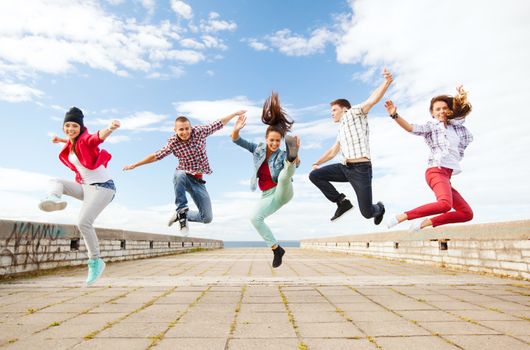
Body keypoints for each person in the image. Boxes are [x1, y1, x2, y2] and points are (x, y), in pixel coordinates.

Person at [123, 110, 246, 234]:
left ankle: (182, 215)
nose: (185, 132)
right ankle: (181, 209)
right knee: (179, 173)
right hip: (184, 177)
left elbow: (219, 123)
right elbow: (156, 156)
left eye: (187, 128)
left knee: (207, 218)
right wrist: (135, 165)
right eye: (181, 130)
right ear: (175, 130)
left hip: (198, 181)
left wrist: (234, 114)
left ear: (191, 127)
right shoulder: (173, 142)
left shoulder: (200, 132)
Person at [38, 107, 120, 286]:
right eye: (67, 125)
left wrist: (110, 128)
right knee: (55, 181)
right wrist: (59, 139)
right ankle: (54, 199)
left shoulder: (85, 140)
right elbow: (68, 142)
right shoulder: (71, 143)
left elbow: (96, 138)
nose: (70, 128)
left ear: (81, 127)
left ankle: (95, 261)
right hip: (87, 187)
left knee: (83, 222)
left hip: (104, 188)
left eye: (74, 125)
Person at [309, 68, 393, 224]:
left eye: (334, 110)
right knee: (315, 175)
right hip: (344, 168)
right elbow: (333, 151)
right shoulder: (341, 129)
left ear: (344, 109)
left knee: (367, 213)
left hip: (361, 169)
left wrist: (386, 83)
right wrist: (317, 163)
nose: (331, 113)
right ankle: (341, 202)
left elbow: (372, 100)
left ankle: (379, 208)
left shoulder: (354, 113)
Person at [384, 85, 474, 231]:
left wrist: (461, 97)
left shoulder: (456, 127)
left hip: (446, 175)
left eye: (444, 108)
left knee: (466, 213)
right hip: (436, 171)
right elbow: (411, 128)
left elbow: (461, 114)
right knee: (445, 204)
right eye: (437, 109)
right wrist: (395, 115)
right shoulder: (431, 127)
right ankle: (401, 217)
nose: (441, 111)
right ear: (432, 113)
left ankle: (424, 223)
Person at [231, 92, 300, 268]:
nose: (275, 144)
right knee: (255, 218)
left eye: (278, 141)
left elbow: (297, 165)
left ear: (281, 141)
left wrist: (295, 156)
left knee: (285, 174)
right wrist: (237, 129)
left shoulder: (281, 153)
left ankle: (291, 156)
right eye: (272, 140)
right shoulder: (257, 149)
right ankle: (276, 249)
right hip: (267, 195)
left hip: (282, 191)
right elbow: (237, 140)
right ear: (266, 139)